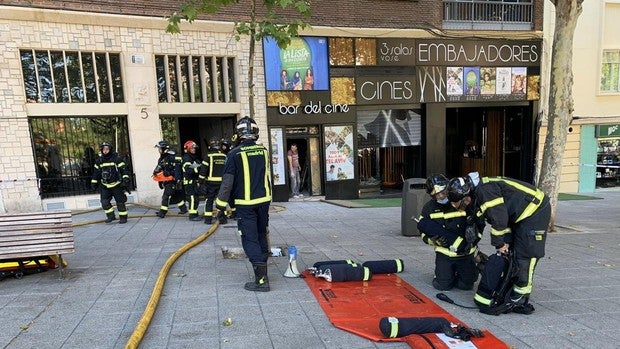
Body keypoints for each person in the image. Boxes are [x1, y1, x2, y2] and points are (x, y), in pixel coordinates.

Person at [447, 172, 550, 315]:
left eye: (456, 203)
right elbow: (500, 217)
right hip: (517, 215)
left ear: (466, 197)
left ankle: (521, 296)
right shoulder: (479, 192)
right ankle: (512, 285)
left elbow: (499, 219)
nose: (455, 206)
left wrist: (499, 244)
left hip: (535, 212)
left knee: (525, 255)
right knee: (511, 251)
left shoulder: (485, 192)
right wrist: (504, 242)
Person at [215, 116, 272, 292]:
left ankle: (261, 281)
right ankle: (263, 272)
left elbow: (227, 183)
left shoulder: (234, 154)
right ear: (255, 132)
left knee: (249, 238)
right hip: (264, 201)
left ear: (238, 134)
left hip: (245, 204)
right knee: (262, 234)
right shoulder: (263, 151)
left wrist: (220, 205)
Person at [416, 174, 480, 291]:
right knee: (442, 286)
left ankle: (468, 269)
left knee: (466, 286)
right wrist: (433, 240)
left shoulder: (462, 201)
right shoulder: (428, 208)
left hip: (465, 253)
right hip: (445, 254)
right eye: (436, 195)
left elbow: (479, 223)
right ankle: (444, 274)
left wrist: (473, 239)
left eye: (443, 192)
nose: (440, 196)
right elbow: (423, 230)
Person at [90, 142, 131, 223]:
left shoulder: (117, 159)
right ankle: (111, 216)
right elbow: (96, 173)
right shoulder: (99, 161)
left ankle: (123, 218)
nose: (105, 151)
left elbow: (124, 170)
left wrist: (125, 180)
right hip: (105, 185)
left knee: (120, 202)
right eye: (103, 149)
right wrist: (93, 183)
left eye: (107, 149)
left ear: (110, 150)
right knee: (104, 202)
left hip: (116, 184)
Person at [153, 141, 187, 218]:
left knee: (166, 196)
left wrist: (170, 173)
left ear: (164, 149)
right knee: (177, 196)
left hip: (173, 180)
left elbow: (178, 170)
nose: (159, 150)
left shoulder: (172, 157)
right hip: (167, 181)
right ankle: (183, 209)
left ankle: (162, 212)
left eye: (160, 148)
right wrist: (158, 179)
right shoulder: (162, 158)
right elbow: (160, 169)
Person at [198, 137, 227, 224]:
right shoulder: (225, 156)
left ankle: (208, 219)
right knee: (221, 201)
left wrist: (200, 182)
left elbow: (203, 171)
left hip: (211, 183)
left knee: (209, 200)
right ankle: (223, 219)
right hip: (222, 183)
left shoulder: (208, 156)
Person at [182, 140, 202, 221]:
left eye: (194, 148)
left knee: (195, 198)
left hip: (193, 182)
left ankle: (195, 213)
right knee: (193, 198)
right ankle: (192, 215)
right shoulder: (187, 158)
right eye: (192, 148)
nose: (194, 149)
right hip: (189, 182)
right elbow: (188, 171)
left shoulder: (193, 158)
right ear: (188, 149)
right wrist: (198, 168)